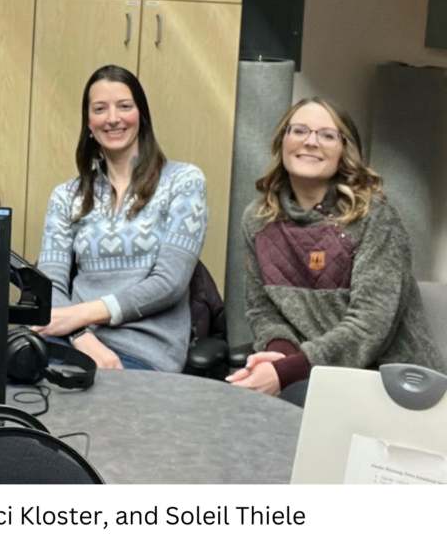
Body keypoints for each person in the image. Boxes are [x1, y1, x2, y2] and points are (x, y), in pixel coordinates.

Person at [228, 97, 446, 401]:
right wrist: (281, 357)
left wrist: (288, 372)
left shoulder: (374, 217)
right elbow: (263, 310)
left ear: (344, 151)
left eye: (327, 135)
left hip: (389, 378)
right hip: (308, 371)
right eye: (300, 131)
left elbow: (370, 326)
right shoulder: (258, 219)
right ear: (282, 141)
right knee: (240, 405)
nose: (311, 142)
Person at [32, 65, 208, 372]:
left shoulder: (184, 181)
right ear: (89, 122)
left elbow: (170, 283)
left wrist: (82, 315)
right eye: (100, 109)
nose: (113, 118)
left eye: (124, 106)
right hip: (72, 342)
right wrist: (81, 335)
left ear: (141, 115)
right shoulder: (65, 196)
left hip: (144, 352)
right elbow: (49, 286)